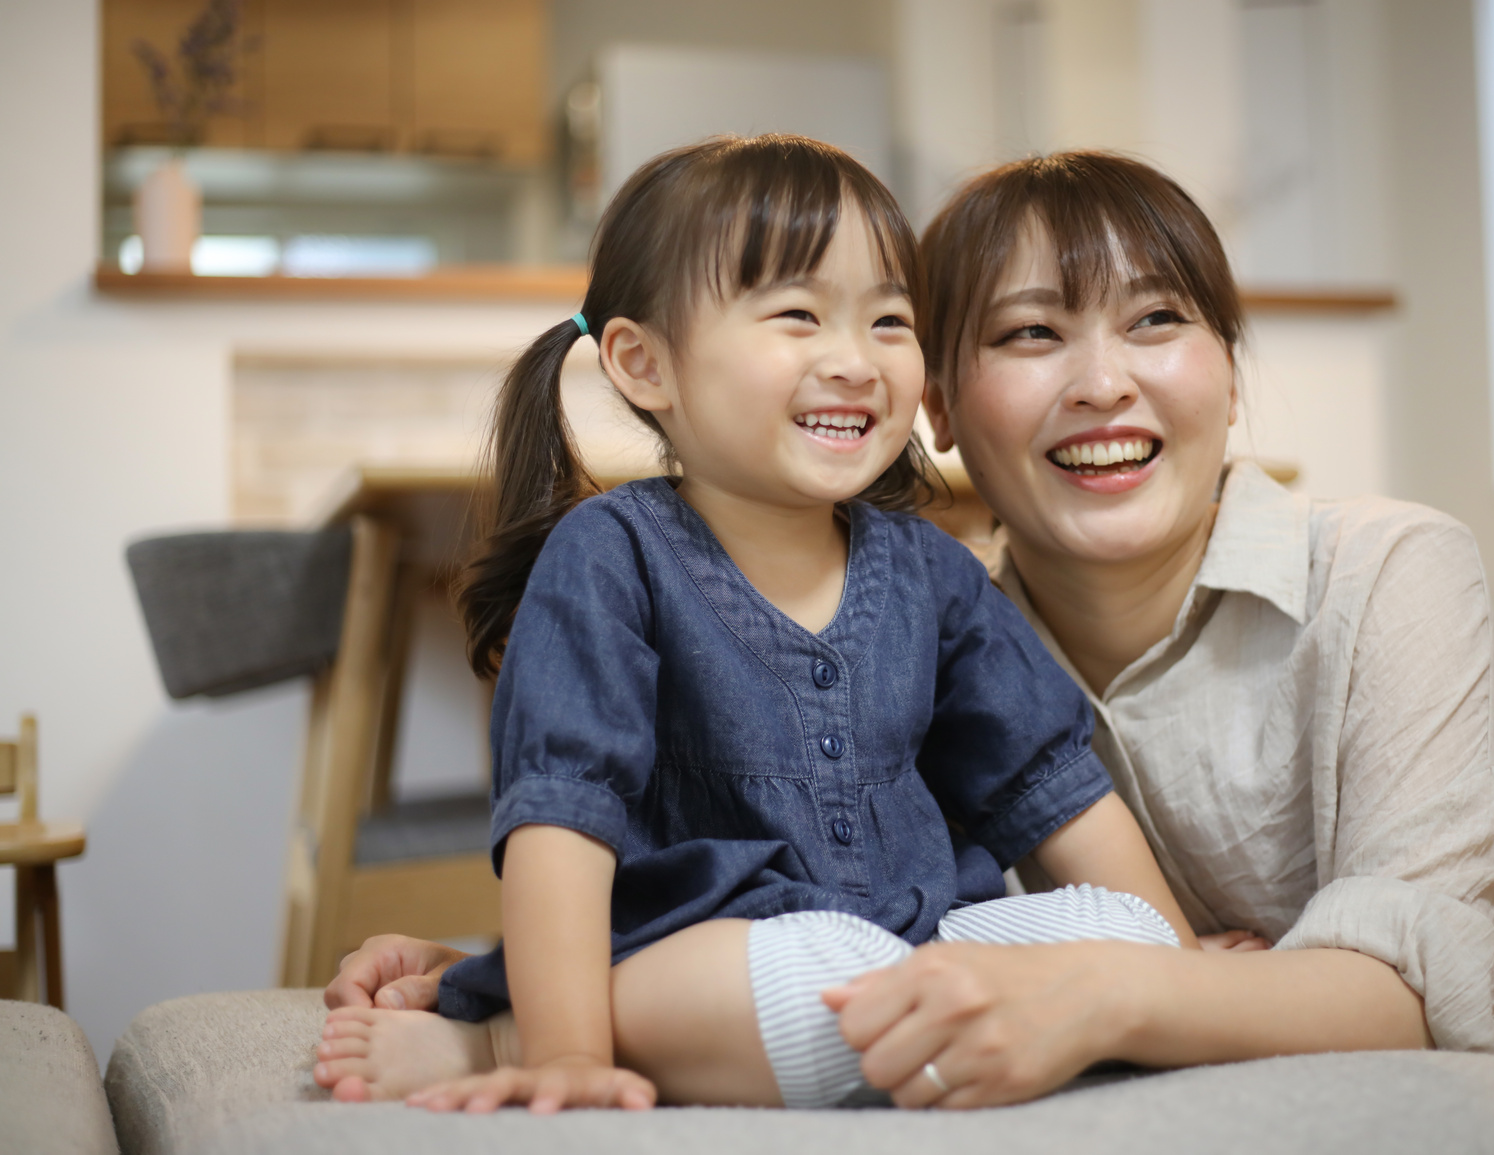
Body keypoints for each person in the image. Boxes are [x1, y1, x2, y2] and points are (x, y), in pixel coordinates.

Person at [323, 150, 1494, 1107]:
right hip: (948, 1002)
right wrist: (508, 978)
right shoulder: (825, 583)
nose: (1103, 382)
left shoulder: (1377, 566)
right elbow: (666, 830)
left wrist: (1132, 968)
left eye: (1160, 320)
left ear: (1230, 363)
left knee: (1052, 935)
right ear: (943, 407)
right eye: (1034, 333)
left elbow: (1072, 802)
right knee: (864, 968)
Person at [313, 136, 1202, 1115]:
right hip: (706, 959)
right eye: (797, 317)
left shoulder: (931, 573)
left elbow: (1048, 785)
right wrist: (567, 1055)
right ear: (643, 363)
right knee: (802, 974)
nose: (853, 361)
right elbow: (564, 815)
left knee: (1127, 938)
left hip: (914, 946)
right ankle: (500, 1034)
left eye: (889, 321)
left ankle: (895, 1035)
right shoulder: (613, 556)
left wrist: (1185, 974)